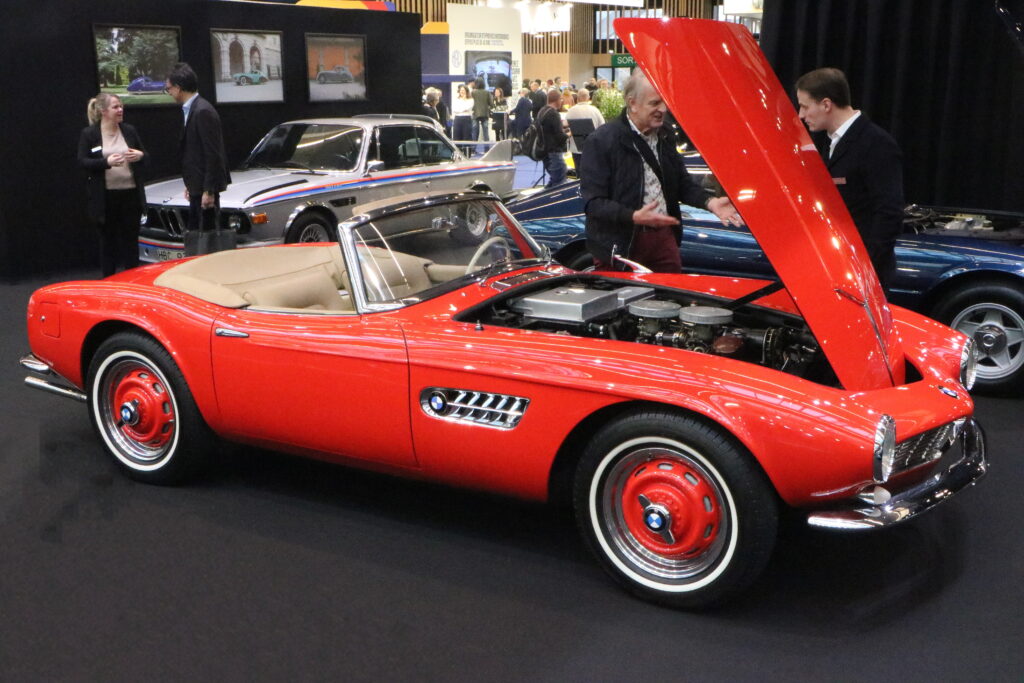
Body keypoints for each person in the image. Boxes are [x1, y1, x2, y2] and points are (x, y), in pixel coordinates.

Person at [580, 69, 740, 273]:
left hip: (662, 239)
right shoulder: (602, 141)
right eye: (655, 103)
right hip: (619, 245)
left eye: (664, 102)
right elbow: (593, 203)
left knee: (671, 291)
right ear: (632, 103)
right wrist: (633, 216)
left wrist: (710, 202)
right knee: (624, 294)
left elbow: (682, 184)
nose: (663, 109)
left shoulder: (665, 135)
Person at [796, 67, 904, 289]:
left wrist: (864, 267)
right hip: (837, 265)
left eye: (805, 106)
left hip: (863, 273)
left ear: (826, 104)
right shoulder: (829, 141)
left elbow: (889, 213)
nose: (801, 115)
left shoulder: (876, 143)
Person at [77, 93, 148, 277]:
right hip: (106, 198)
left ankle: (132, 282)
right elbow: (83, 161)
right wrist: (106, 162)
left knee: (131, 243)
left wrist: (140, 156)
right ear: (103, 111)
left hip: (130, 195)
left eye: (121, 106)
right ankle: (108, 282)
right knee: (108, 244)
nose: (120, 110)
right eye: (115, 107)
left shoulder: (129, 131)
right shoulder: (90, 134)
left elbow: (145, 156)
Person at [164, 62, 230, 243]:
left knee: (205, 239)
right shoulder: (192, 109)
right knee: (196, 236)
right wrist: (191, 183)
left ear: (178, 87)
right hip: (197, 186)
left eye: (169, 88)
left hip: (204, 190)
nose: (169, 93)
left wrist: (209, 190)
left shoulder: (202, 111)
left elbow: (213, 153)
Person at [565, 87, 604, 170]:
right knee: (592, 171)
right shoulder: (595, 110)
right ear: (588, 97)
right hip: (592, 147)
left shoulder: (571, 110)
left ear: (577, 98)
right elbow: (602, 127)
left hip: (576, 147)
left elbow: (565, 126)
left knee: (579, 171)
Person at [536, 89, 569, 188]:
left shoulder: (542, 111)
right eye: (561, 99)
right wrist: (570, 133)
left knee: (553, 181)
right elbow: (559, 136)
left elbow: (549, 130)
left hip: (545, 151)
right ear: (557, 100)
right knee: (559, 183)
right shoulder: (554, 114)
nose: (562, 102)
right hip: (554, 152)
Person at [471, 77, 493, 154]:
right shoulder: (487, 92)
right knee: (486, 133)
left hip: (475, 114)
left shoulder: (473, 92)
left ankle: (473, 150)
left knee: (475, 133)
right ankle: (487, 150)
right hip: (485, 114)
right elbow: (491, 104)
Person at [452, 84, 474, 155]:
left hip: (466, 119)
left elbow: (467, 108)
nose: (462, 92)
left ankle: (467, 154)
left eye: (463, 90)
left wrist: (461, 108)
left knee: (467, 137)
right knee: (456, 137)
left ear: (466, 91)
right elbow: (454, 109)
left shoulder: (470, 100)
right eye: (461, 90)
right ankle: (458, 154)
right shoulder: (456, 100)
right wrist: (462, 109)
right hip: (457, 119)